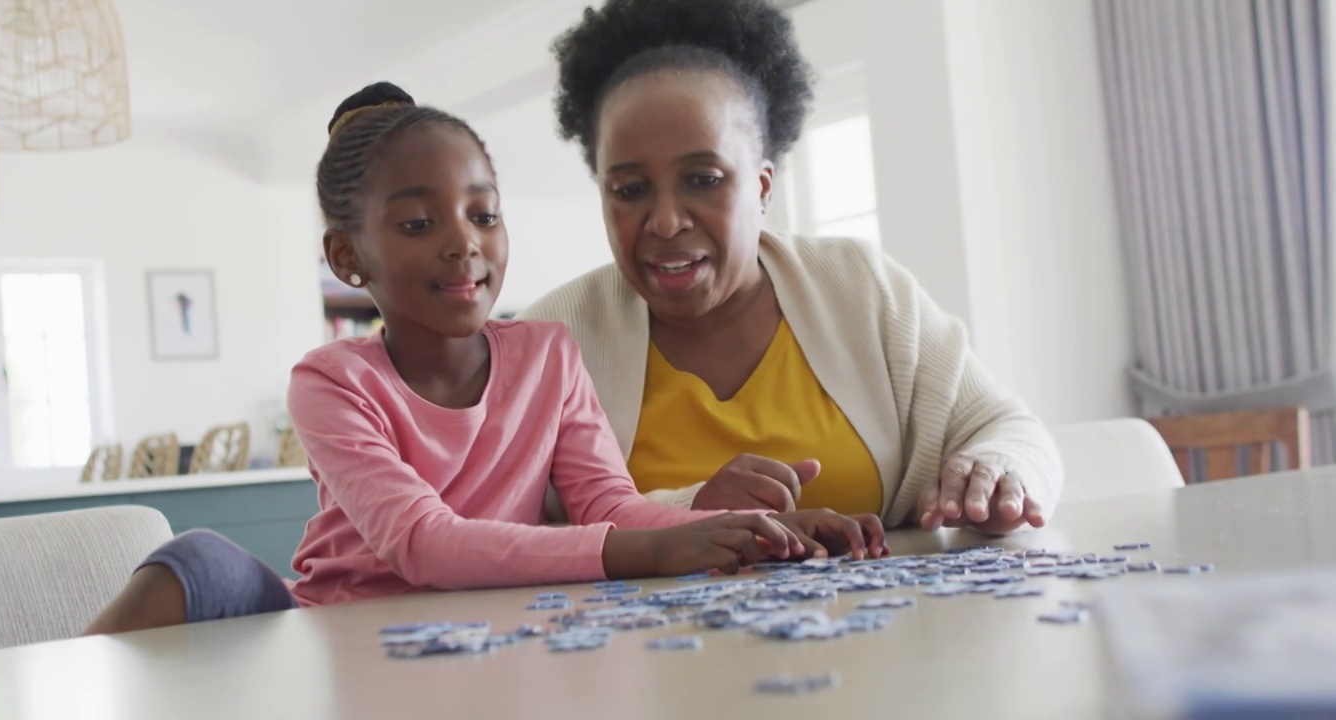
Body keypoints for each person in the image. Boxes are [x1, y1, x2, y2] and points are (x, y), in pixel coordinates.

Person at [84, 82, 885, 635]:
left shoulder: (547, 353)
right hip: (333, 634)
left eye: (483, 213)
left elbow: (611, 504)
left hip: (494, 630)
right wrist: (651, 548)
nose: (463, 241)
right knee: (196, 561)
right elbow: (424, 543)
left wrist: (743, 529)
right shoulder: (332, 382)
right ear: (346, 256)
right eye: (416, 224)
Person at [520, 0, 1063, 535]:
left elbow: (1004, 427)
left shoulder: (859, 286)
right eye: (631, 190)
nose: (664, 222)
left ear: (761, 187)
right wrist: (690, 510)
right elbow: (489, 529)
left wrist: (994, 475)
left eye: (704, 179)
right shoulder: (547, 341)